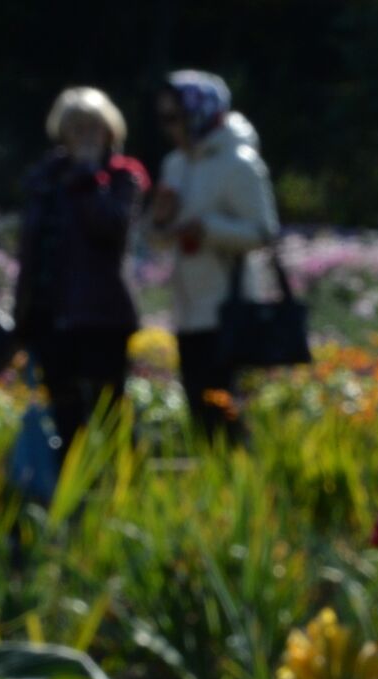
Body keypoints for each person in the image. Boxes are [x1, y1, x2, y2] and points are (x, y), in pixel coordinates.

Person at [16, 86, 149, 454]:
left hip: (102, 315)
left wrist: (90, 177)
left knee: (109, 410)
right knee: (64, 410)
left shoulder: (122, 177)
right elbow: (31, 250)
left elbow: (111, 228)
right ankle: (72, 495)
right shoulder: (44, 179)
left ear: (110, 131)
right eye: (76, 128)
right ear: (62, 132)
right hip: (50, 315)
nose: (86, 136)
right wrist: (23, 312)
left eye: (94, 127)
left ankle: (122, 491)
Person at [150, 70, 280, 439]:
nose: (169, 127)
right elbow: (158, 239)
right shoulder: (175, 164)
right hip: (187, 309)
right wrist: (159, 221)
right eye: (163, 118)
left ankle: (242, 488)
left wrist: (205, 229)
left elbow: (263, 231)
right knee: (198, 414)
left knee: (226, 414)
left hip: (227, 308)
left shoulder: (239, 162)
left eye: (174, 117)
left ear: (199, 112)